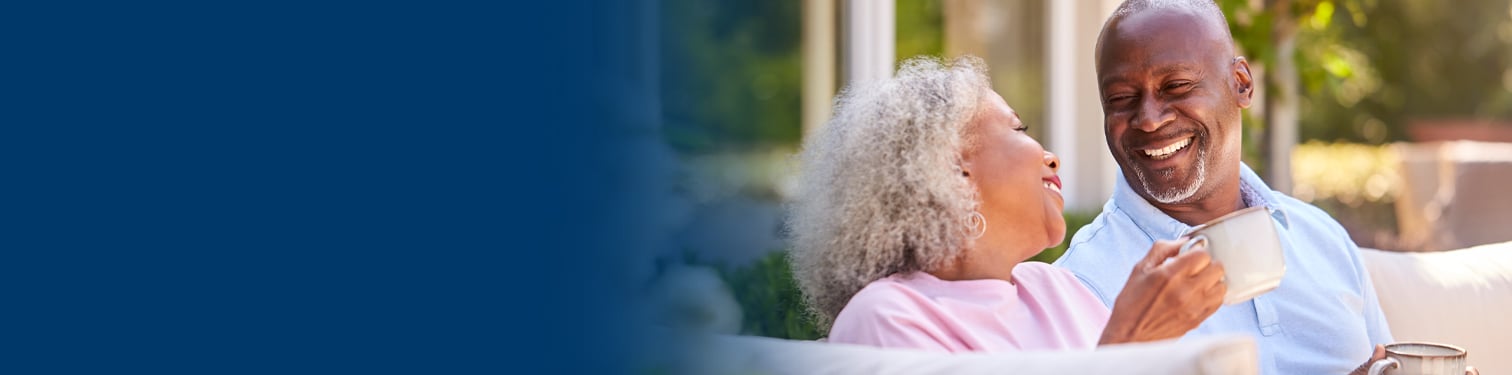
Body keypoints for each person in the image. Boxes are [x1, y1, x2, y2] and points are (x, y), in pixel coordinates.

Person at [787, 56, 1226, 353]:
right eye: (1018, 129)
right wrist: (1129, 345)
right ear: (951, 171)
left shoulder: (1059, 290)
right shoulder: (887, 318)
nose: (1051, 156)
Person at [1052, 1, 1393, 374]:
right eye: (1121, 99)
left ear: (1241, 84)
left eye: (1176, 86)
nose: (1149, 120)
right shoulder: (1082, 283)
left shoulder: (1323, 240)